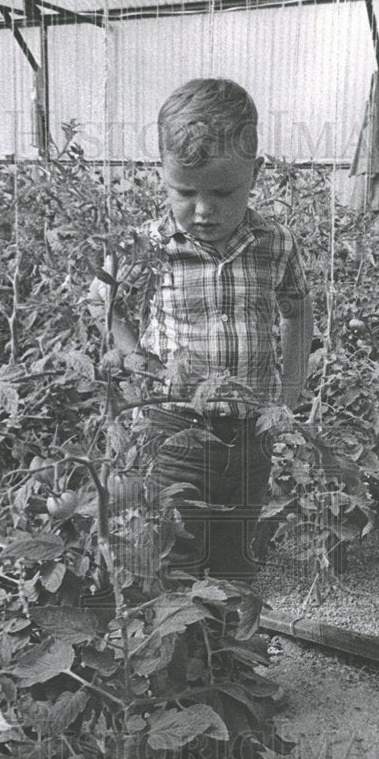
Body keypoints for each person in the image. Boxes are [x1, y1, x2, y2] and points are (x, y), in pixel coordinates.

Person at [96, 77, 313, 583]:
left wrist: (293, 387)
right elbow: (103, 302)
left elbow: (297, 310)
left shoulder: (274, 243)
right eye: (184, 192)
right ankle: (182, 657)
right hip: (171, 428)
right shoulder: (147, 244)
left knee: (238, 550)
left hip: (250, 431)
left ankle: (228, 654)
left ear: (255, 175)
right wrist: (134, 360)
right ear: (161, 177)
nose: (203, 209)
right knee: (175, 550)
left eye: (222, 191)